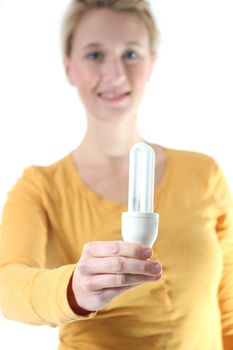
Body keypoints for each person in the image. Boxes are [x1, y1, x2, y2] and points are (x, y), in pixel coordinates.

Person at [0, 0, 233, 349]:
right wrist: (75, 288)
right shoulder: (40, 188)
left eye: (131, 54)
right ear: (69, 67)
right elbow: (8, 286)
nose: (115, 74)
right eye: (95, 55)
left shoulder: (204, 175)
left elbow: (227, 304)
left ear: (152, 62)